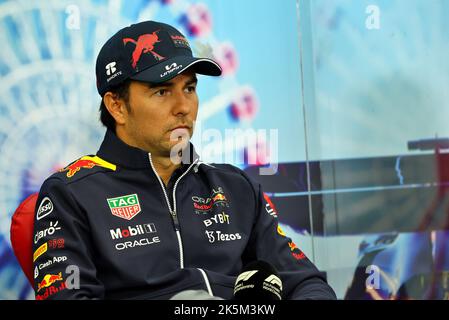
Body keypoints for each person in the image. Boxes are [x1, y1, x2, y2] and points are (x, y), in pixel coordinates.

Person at [32, 20, 336, 300]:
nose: (183, 107)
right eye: (162, 91)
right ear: (117, 106)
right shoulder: (71, 194)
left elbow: (307, 282)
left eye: (189, 88)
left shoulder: (236, 187)